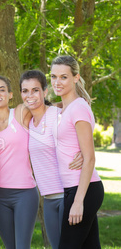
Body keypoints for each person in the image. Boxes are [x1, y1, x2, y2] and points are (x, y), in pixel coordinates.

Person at [20, 69, 83, 249]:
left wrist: (84, 153)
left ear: (45, 92)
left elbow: (81, 129)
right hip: (47, 198)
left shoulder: (57, 114)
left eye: (35, 90)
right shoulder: (28, 123)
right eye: (25, 91)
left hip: (67, 194)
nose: (30, 95)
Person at [50, 55, 104, 248]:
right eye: (54, 76)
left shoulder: (78, 108)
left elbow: (89, 158)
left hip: (84, 189)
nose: (57, 82)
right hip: (74, 188)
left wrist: (79, 201)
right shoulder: (65, 109)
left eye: (63, 77)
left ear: (75, 77)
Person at [0, 75, 39, 249]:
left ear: (10, 94)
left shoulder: (21, 112)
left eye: (1, 90)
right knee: (10, 246)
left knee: (22, 246)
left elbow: (54, 110)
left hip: (25, 193)